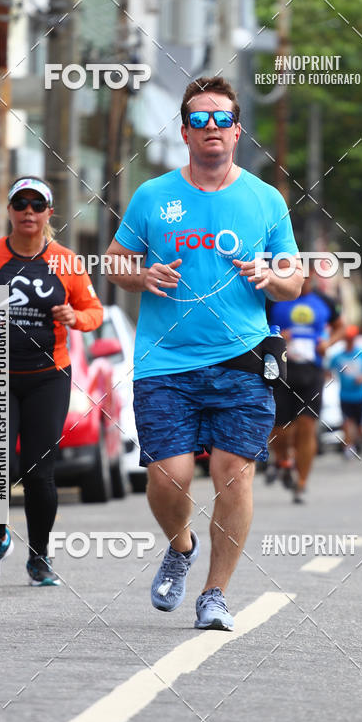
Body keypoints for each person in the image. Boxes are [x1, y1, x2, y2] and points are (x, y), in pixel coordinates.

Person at [105, 76, 303, 631]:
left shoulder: (265, 199)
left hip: (241, 360)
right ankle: (181, 545)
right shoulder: (153, 196)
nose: (210, 128)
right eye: (199, 119)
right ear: (185, 131)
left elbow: (296, 278)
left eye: (221, 119)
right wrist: (141, 274)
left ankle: (215, 594)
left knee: (232, 476)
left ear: (237, 131)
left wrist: (272, 274)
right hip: (166, 364)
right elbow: (114, 263)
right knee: (167, 478)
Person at [0, 177, 103, 584]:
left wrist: (76, 318)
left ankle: (40, 556)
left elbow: (94, 312)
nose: (29, 212)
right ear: (10, 211)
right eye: (21, 204)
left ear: (49, 213)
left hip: (47, 376)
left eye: (38, 206)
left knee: (38, 471)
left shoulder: (66, 262)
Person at [267, 274, 345, 503]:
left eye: (307, 274)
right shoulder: (273, 298)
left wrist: (327, 343)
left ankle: (301, 482)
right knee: (280, 430)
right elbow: (256, 326)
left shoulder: (325, 301)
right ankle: (282, 460)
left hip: (312, 371)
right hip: (282, 370)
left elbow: (341, 327)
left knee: (307, 425)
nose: (303, 278)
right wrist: (276, 335)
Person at [328, 325, 362, 458]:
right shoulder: (338, 356)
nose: (349, 340)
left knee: (359, 422)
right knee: (346, 421)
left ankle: (359, 441)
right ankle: (348, 446)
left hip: (360, 394)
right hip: (344, 394)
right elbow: (328, 369)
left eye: (351, 338)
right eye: (347, 338)